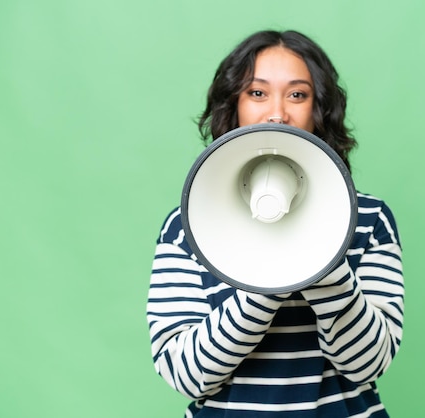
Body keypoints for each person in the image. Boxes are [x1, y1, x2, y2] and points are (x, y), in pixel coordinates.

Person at [147, 30, 404, 417]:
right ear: (233, 106)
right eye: (257, 93)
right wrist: (268, 274)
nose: (277, 113)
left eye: (298, 94)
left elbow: (368, 364)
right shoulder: (187, 226)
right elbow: (186, 374)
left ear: (320, 110)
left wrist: (322, 260)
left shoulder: (369, 219)